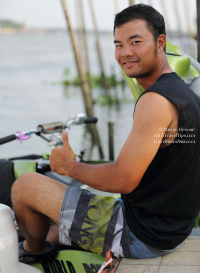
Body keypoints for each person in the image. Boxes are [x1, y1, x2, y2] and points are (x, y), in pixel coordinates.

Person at [12, 4, 200, 263]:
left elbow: (124, 179)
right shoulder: (183, 92)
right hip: (169, 227)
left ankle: (33, 252)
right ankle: (46, 244)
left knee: (25, 186)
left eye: (135, 42)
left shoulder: (155, 101)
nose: (125, 53)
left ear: (160, 42)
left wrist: (69, 166)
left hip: (142, 235)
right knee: (53, 231)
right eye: (118, 45)